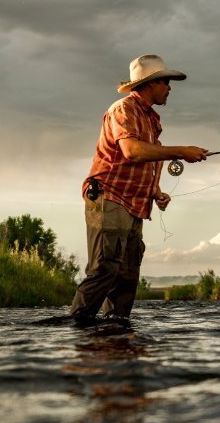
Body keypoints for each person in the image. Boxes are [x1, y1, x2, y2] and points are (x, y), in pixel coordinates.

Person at [71, 54, 208, 325]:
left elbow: (145, 158)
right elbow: (132, 151)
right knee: (104, 268)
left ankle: (116, 330)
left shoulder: (152, 120)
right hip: (109, 196)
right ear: (150, 84)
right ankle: (77, 325)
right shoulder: (124, 109)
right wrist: (181, 151)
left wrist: (155, 191)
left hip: (135, 203)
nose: (170, 88)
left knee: (127, 274)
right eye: (166, 82)